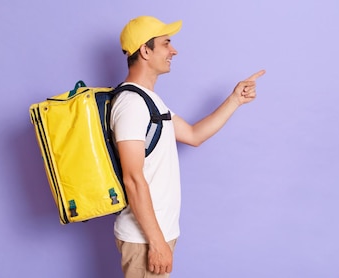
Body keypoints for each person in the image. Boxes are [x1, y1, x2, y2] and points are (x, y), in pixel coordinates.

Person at [111, 15, 265, 277]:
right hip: (145, 238)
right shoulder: (131, 104)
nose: (174, 51)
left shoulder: (150, 101)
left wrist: (234, 100)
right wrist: (157, 242)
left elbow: (194, 135)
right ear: (145, 51)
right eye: (166, 44)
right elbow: (133, 179)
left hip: (158, 234)